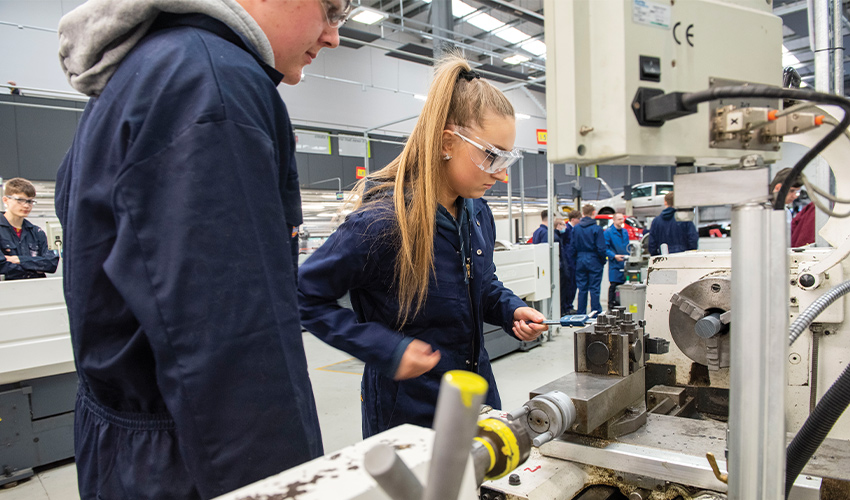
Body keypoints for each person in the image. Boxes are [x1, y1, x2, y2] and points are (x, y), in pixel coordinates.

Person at [54, 0, 349, 497]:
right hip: (187, 460)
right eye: (330, 8)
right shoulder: (213, 85)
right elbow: (237, 348)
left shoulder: (139, 72)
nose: (333, 36)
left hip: (126, 451)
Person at [298, 55, 547, 438]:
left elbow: (481, 284)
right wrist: (386, 349)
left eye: (507, 157)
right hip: (409, 411)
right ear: (448, 142)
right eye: (492, 155)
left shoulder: (477, 211)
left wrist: (511, 310)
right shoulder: (384, 222)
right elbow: (304, 295)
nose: (502, 173)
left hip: (475, 395)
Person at [0, 178, 59, 280]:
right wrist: (35, 266)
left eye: (30, 201)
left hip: (36, 289)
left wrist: (19, 259)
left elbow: (51, 264)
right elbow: (2, 266)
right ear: (5, 200)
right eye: (20, 200)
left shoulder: (37, 232)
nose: (26, 205)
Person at [569, 204, 606, 315]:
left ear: (583, 213)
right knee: (594, 288)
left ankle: (581, 313)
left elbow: (572, 247)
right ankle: (595, 313)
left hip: (580, 260)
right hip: (594, 260)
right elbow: (601, 248)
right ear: (593, 213)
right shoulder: (597, 229)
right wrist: (602, 261)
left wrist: (576, 260)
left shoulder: (576, 228)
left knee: (582, 289)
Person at [648, 191, 698, 256]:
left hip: (664, 258)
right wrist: (691, 254)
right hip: (683, 258)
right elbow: (693, 238)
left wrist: (656, 256)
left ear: (665, 202)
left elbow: (652, 243)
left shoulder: (656, 221)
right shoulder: (685, 219)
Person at [604, 212, 629, 308]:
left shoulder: (625, 232)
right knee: (614, 284)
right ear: (613, 220)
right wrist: (614, 256)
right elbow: (605, 248)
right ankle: (611, 304)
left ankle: (621, 303)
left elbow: (627, 247)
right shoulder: (608, 232)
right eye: (619, 219)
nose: (621, 221)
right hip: (615, 262)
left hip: (625, 262)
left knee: (624, 285)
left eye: (622, 219)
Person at [562, 210, 580, 313]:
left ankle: (569, 305)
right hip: (568, 262)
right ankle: (567, 306)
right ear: (573, 219)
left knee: (573, 285)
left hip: (573, 261)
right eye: (578, 219)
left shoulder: (574, 229)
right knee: (569, 286)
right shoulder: (567, 229)